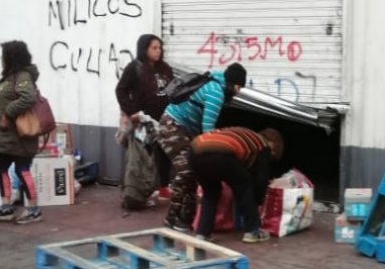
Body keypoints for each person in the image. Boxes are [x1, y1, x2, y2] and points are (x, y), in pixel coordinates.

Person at [157, 62, 247, 232]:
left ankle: (186, 219)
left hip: (183, 130)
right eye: (238, 86)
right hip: (172, 126)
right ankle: (171, 218)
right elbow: (207, 131)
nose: (238, 91)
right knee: (186, 171)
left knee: (193, 171)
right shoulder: (216, 93)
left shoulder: (214, 85)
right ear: (232, 83)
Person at [190, 127, 284, 243]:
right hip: (220, 154)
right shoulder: (263, 146)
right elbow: (261, 179)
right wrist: (258, 202)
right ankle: (253, 231)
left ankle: (203, 233)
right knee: (244, 186)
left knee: (210, 193)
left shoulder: (245, 137)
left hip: (195, 150)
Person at [0, 40, 43, 225]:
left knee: (22, 169)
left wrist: (8, 114)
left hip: (20, 136)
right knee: (0, 167)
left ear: (11, 58)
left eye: (4, 56)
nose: (1, 60)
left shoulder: (22, 75)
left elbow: (28, 97)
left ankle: (33, 209)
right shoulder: (12, 76)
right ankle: (6, 206)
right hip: (9, 137)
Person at [115, 34, 174, 199]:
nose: (158, 51)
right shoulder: (134, 68)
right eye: (154, 48)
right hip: (143, 120)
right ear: (144, 49)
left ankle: (163, 187)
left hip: (163, 118)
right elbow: (121, 90)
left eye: (160, 48)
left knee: (165, 152)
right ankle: (139, 189)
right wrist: (131, 111)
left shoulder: (165, 68)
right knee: (143, 154)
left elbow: (172, 89)